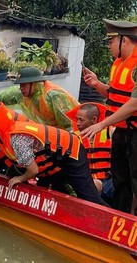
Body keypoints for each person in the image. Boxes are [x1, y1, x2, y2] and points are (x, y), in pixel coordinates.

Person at [0, 103, 108, 206]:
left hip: (72, 154)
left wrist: (20, 178)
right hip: (55, 160)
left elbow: (33, 170)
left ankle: (110, 222)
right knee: (49, 191)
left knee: (89, 198)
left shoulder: (16, 139)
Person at [81, 19, 137, 213]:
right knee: (121, 180)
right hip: (121, 133)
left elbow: (134, 103)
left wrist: (102, 124)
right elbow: (114, 95)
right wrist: (97, 84)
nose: (108, 46)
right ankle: (121, 218)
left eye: (110, 41)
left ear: (125, 41)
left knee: (135, 180)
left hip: (135, 133)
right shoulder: (119, 63)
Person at [0, 66, 79, 130]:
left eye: (24, 85)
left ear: (34, 83)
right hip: (49, 133)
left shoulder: (53, 96)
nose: (21, 88)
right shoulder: (22, 93)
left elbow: (69, 125)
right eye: (20, 85)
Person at [66, 103, 114, 203]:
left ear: (94, 120)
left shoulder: (111, 132)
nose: (77, 123)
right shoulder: (73, 137)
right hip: (86, 182)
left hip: (108, 181)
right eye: (77, 119)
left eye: (81, 120)